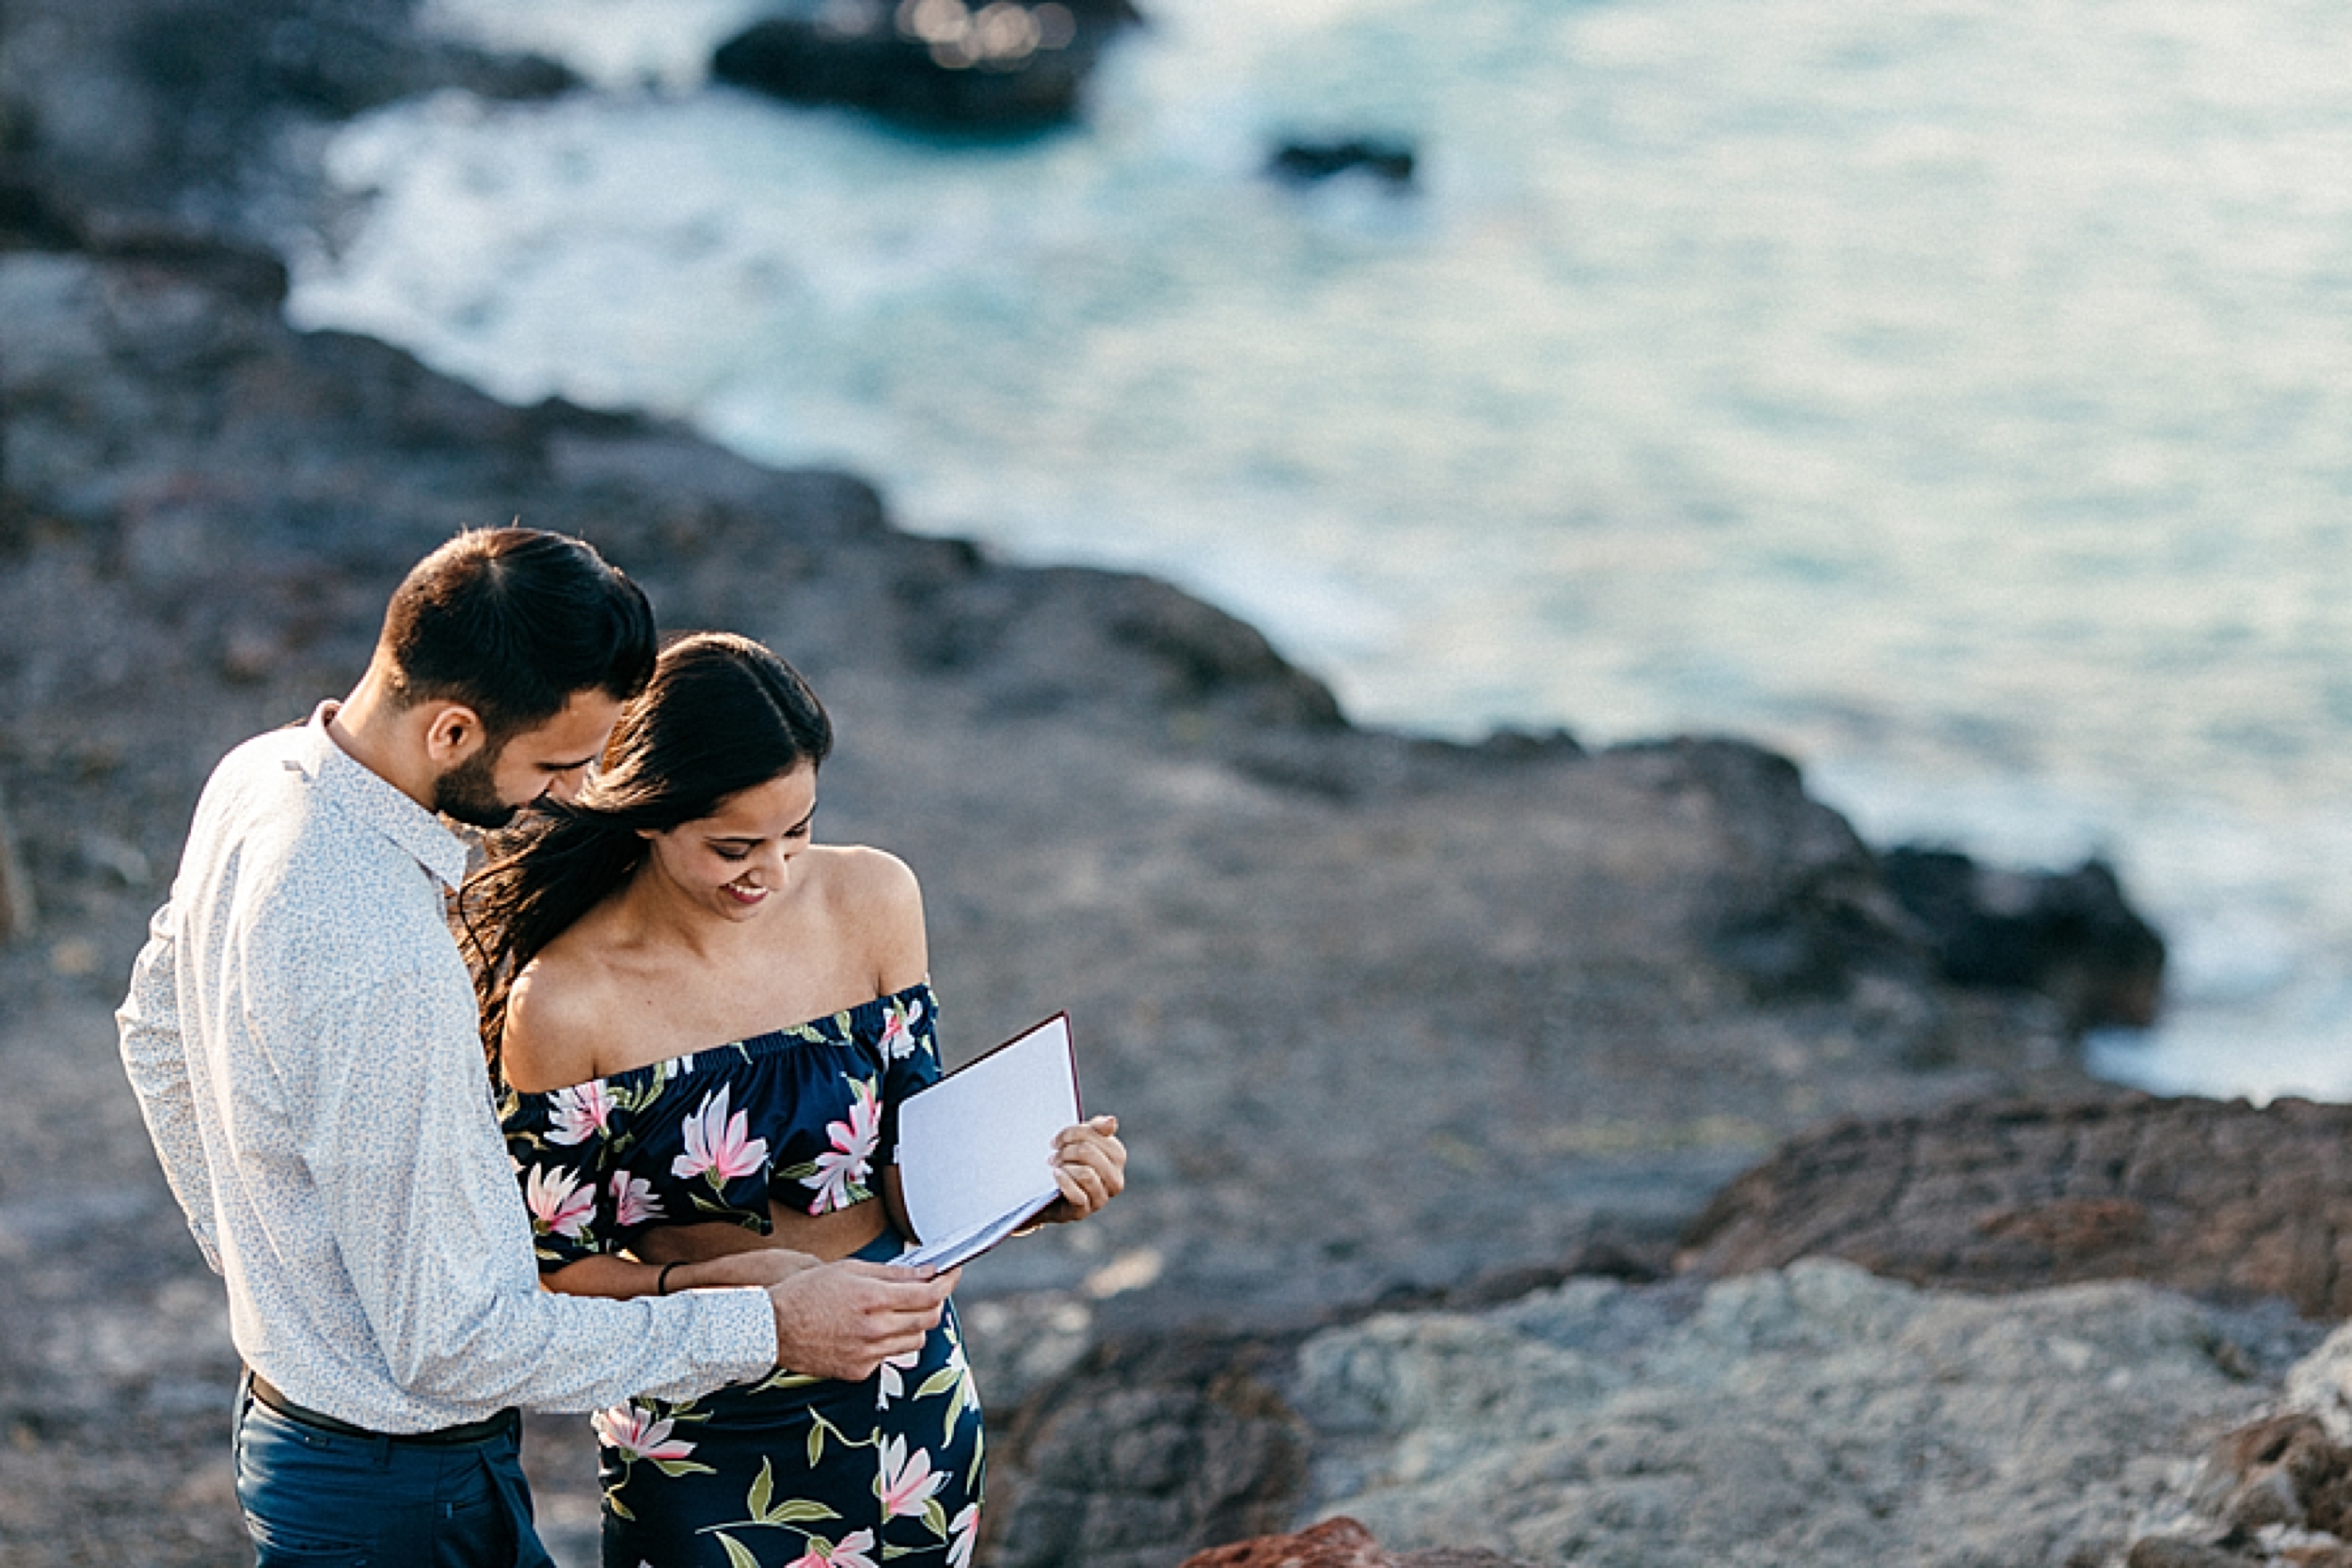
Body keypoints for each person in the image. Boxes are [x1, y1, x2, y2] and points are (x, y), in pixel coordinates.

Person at [117, 529, 956, 1568]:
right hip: (396, 1478)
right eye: (556, 761)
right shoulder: (379, 949)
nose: (567, 794)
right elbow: (456, 1341)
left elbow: (153, 1031)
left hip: (332, 1434)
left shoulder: (260, 775)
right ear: (456, 727)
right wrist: (767, 1327)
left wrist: (271, 1270)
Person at [466, 630, 1126, 1568]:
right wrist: (730, 1291)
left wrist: (1035, 1189)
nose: (770, 871)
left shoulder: (875, 897)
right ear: (649, 814)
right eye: (732, 844)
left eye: (796, 831)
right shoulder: (568, 999)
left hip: (906, 1396)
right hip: (700, 1423)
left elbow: (911, 1180)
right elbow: (552, 1275)